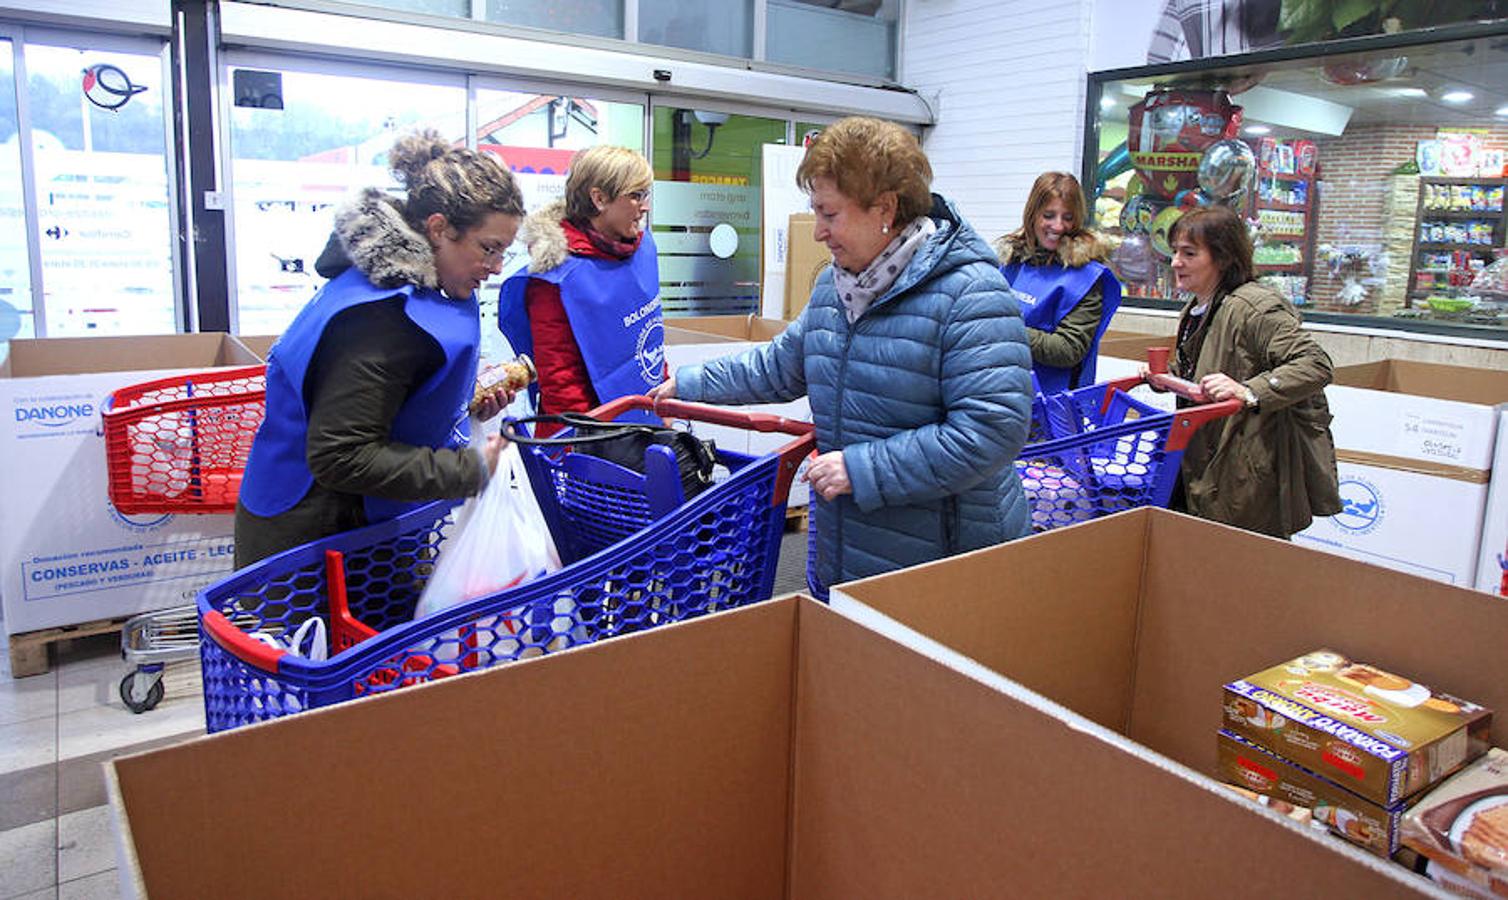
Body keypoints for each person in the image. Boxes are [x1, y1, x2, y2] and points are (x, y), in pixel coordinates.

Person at [648, 116, 1033, 594]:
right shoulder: (837, 285)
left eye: (829, 214)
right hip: (849, 547)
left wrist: (862, 468)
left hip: (945, 563)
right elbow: (782, 365)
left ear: (884, 209)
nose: (818, 232)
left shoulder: (970, 294)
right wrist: (687, 384)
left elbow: (992, 430)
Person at [235, 130, 526, 567]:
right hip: (314, 542)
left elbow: (389, 400)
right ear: (438, 228)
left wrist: (461, 406)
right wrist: (469, 469)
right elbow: (342, 455)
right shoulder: (382, 318)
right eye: (488, 248)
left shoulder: (406, 290)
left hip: (362, 528)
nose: (497, 267)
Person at [1158, 204, 1341, 538]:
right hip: (1205, 465)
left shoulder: (1254, 306)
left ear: (1224, 257)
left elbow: (1315, 363)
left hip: (1244, 473)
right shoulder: (1201, 305)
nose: (1176, 263)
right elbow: (1215, 365)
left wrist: (1250, 391)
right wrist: (1167, 376)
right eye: (1174, 252)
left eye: (1189, 253)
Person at [497, 145, 662, 433]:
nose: (645, 206)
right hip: (584, 439)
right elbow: (561, 382)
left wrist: (663, 404)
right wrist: (589, 453)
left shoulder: (641, 252)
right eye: (635, 196)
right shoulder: (556, 277)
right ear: (599, 199)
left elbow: (651, 340)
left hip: (643, 423)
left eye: (645, 194)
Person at [994, 172, 1123, 394]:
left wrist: (1005, 329)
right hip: (999, 391)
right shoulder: (1011, 263)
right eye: (1049, 215)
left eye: (1068, 217)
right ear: (1032, 215)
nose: (1058, 226)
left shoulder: (1086, 277)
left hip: (1049, 408)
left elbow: (1068, 349)